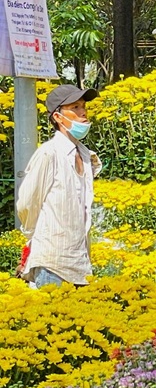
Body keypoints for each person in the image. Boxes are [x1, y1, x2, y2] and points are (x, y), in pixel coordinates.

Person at [17, 84, 100, 288]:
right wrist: (35, 237)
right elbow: (27, 204)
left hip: (80, 263)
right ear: (57, 117)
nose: (83, 113)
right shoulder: (49, 153)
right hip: (52, 263)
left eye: (83, 106)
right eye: (75, 107)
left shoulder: (86, 155)